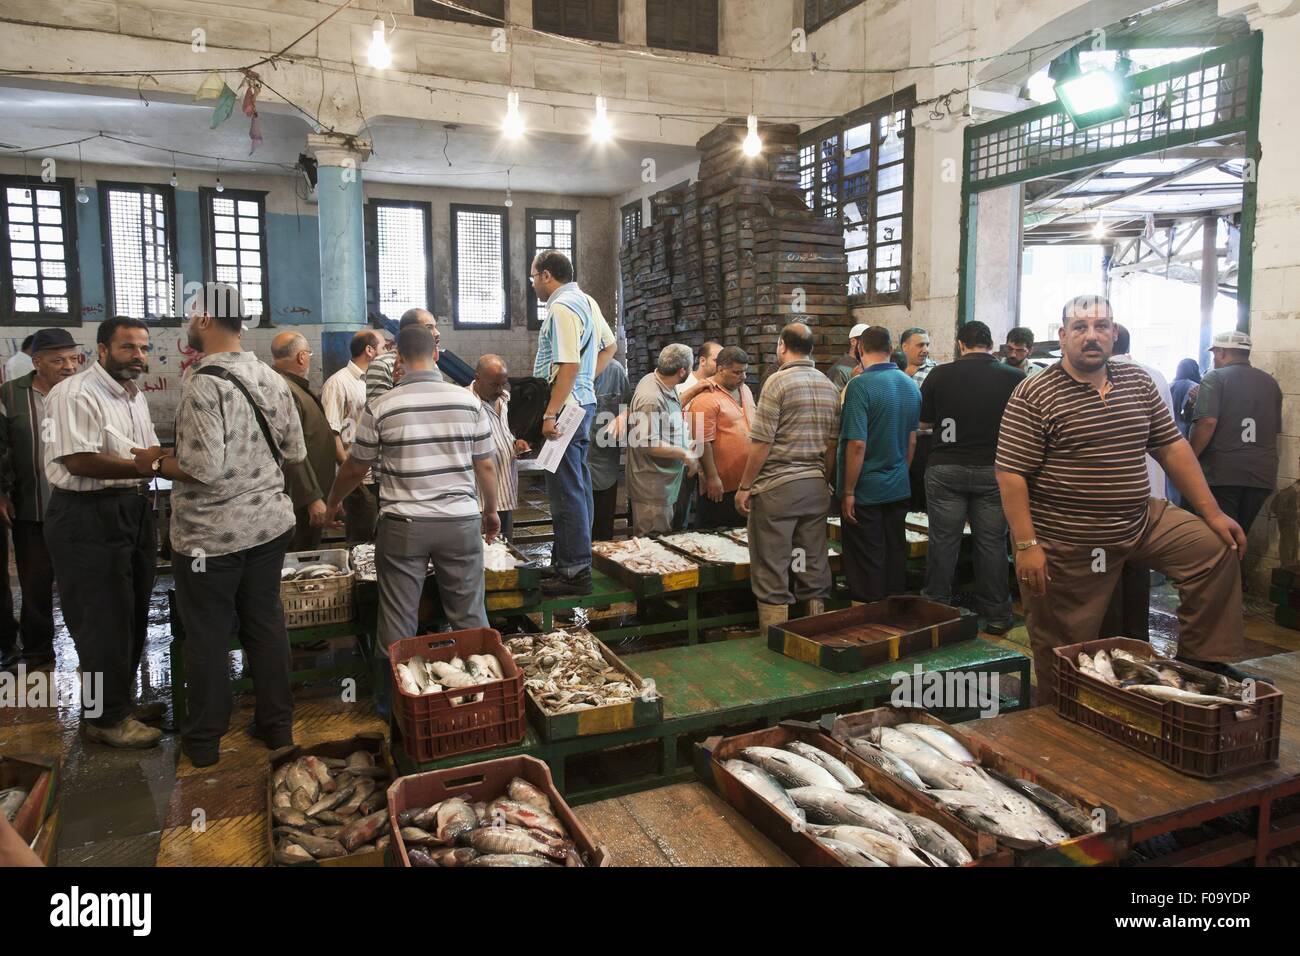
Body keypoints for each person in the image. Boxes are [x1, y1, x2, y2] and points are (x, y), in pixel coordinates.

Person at [996, 296, 1250, 706]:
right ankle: (1060, 713)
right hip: (1068, 536)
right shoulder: (1034, 393)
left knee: (1214, 548)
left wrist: (1213, 513)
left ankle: (1201, 664)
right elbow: (1011, 473)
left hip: (1139, 518)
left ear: (1114, 333)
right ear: (1062, 337)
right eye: (1079, 327)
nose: (1091, 336)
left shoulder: (1138, 382)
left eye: (1101, 326)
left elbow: (1172, 449)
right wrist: (1026, 545)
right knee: (1065, 642)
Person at [141, 284, 306, 766]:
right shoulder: (272, 378)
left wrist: (154, 463)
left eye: (193, 313)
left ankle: (204, 742)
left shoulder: (202, 382)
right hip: (269, 528)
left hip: (209, 539)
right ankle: (277, 729)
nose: (189, 321)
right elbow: (294, 452)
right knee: (265, 624)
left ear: (208, 319)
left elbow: (203, 468)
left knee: (207, 636)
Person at [326, 325, 498, 680]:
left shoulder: (382, 406)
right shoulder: (469, 402)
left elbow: (357, 467)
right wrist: (491, 511)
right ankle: (480, 700)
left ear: (398, 359)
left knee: (398, 620)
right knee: (469, 616)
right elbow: (485, 464)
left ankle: (395, 706)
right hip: (460, 524)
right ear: (436, 355)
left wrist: (332, 503)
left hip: (404, 527)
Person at [43, 317, 164, 749]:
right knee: (99, 620)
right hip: (85, 515)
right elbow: (78, 460)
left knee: (130, 614)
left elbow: (147, 453)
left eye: (144, 349)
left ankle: (118, 704)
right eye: (128, 348)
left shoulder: (134, 396)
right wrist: (148, 466)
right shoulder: (74, 393)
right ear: (102, 348)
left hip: (128, 510)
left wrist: (157, 464)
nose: (138, 357)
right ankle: (103, 719)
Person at [918, 321, 1024, 632]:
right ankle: (997, 615)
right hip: (996, 471)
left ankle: (935, 609)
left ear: (960, 344)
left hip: (946, 468)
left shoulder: (940, 375)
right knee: (991, 543)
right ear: (992, 345)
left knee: (944, 541)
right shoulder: (1016, 378)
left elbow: (924, 422)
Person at [735, 325, 840, 632]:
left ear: (782, 346)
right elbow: (832, 444)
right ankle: (814, 632)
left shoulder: (777, 383)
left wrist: (745, 486)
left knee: (772, 564)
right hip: (816, 486)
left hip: (778, 489)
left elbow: (762, 442)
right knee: (812, 559)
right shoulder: (828, 385)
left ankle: (774, 639)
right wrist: (825, 479)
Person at [530, 250, 617, 597]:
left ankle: (573, 571)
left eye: (535, 277)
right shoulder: (587, 301)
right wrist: (584, 383)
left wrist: (551, 412)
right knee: (578, 488)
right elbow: (609, 348)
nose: (534, 283)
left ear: (547, 275)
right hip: (580, 404)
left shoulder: (562, 307)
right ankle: (574, 559)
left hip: (565, 409)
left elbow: (566, 365)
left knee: (566, 492)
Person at [0, 328, 80, 670]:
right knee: (35, 582)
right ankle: (37, 651)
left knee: (81, 583)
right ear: (36, 362)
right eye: (57, 360)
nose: (68, 366)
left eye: (73, 359)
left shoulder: (83, 392)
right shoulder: (10, 395)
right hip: (32, 506)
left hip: (80, 507)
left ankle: (90, 651)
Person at [838, 327, 921, 604]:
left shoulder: (860, 386)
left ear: (860, 349)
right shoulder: (910, 384)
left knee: (866, 559)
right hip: (898, 487)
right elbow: (911, 442)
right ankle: (895, 615)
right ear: (890, 348)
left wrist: (848, 491)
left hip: (867, 490)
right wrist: (899, 474)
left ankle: (869, 622)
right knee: (894, 552)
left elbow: (857, 445)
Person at [1190, 331, 1282, 539]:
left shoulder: (1215, 378)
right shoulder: (1271, 383)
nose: (1214, 359)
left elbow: (1207, 422)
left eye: (1215, 354)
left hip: (1222, 473)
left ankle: (1225, 572)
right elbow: (1273, 431)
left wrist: (1189, 458)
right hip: (1261, 475)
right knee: (1239, 536)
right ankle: (1236, 572)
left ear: (1222, 352)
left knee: (1221, 540)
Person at [272, 332, 337, 552]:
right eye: (308, 353)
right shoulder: (285, 390)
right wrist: (312, 498)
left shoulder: (294, 387)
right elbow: (292, 450)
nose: (309, 358)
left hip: (309, 494)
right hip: (299, 501)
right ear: (301, 357)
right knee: (297, 559)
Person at [627, 345, 696, 536]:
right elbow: (647, 443)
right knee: (653, 544)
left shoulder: (663, 382)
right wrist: (684, 453)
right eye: (691, 368)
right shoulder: (651, 398)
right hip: (652, 488)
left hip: (664, 483)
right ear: (682, 371)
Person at [321, 329, 381, 545]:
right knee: (361, 542)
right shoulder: (338, 383)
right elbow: (332, 432)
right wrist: (351, 477)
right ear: (370, 350)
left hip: (380, 476)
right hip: (358, 479)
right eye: (383, 348)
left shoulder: (376, 382)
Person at [688, 346, 756, 528]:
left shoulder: (746, 390)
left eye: (744, 372)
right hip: (720, 485)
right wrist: (712, 477)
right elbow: (702, 441)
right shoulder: (705, 398)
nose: (743, 377)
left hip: (746, 482)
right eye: (737, 372)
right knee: (716, 539)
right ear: (720, 369)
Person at [467, 354, 529, 541]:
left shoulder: (504, 399)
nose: (499, 389)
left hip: (506, 489)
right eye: (494, 385)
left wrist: (515, 443)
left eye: (503, 383)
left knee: (505, 553)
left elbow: (502, 433)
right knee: (483, 552)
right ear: (477, 378)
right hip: (480, 499)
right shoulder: (466, 403)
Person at [672, 341, 721, 529]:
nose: (721, 365)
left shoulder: (719, 387)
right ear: (702, 360)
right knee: (679, 512)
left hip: (708, 458)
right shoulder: (681, 385)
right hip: (683, 458)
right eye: (717, 360)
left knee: (705, 512)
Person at [589, 357, 631, 542]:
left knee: (602, 530)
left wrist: (624, 415)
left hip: (604, 465)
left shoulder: (614, 370)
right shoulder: (566, 368)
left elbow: (629, 405)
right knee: (571, 527)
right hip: (574, 465)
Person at [366, 309, 442, 403]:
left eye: (435, 327)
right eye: (429, 327)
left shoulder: (432, 363)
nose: (437, 333)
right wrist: (397, 385)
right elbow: (374, 410)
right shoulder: (382, 364)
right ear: (410, 331)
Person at [901, 328, 935, 510]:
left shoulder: (935, 373)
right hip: (897, 441)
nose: (925, 349)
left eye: (927, 345)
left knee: (919, 488)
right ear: (904, 346)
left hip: (923, 442)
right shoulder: (894, 371)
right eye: (920, 344)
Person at [827, 324, 869, 393]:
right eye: (866, 342)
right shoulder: (839, 369)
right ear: (853, 341)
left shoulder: (866, 365)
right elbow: (836, 398)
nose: (869, 347)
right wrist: (852, 381)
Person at [1170, 358, 1202, 439]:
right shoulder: (1194, 387)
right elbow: (1188, 415)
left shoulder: (1169, 385)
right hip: (1185, 431)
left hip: (1169, 428)